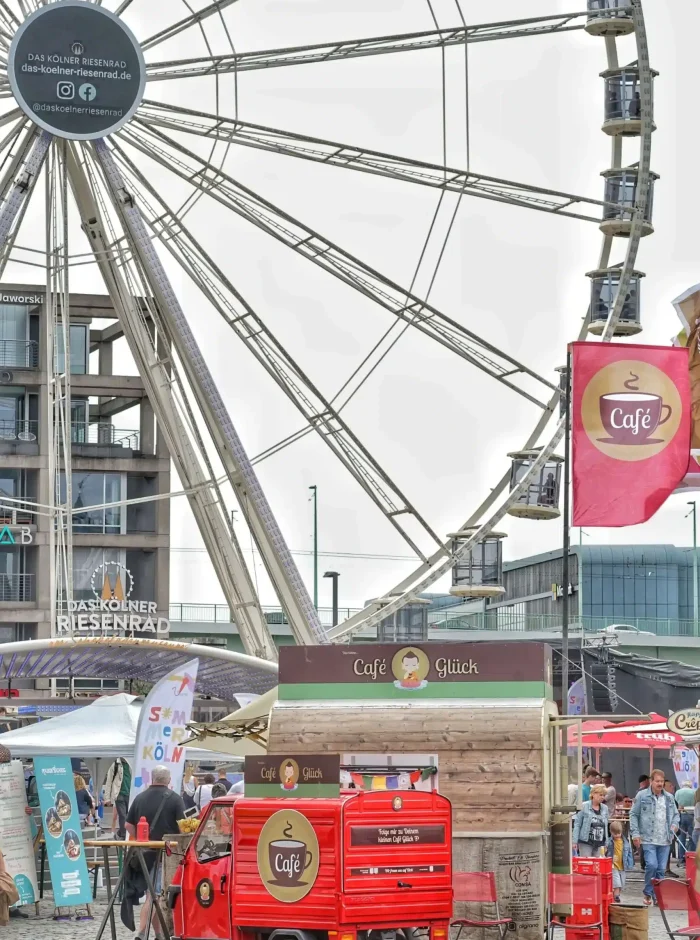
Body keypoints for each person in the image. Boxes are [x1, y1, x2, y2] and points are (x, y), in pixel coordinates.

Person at [126, 765, 186, 940]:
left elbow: (128, 825)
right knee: (154, 896)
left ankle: (159, 933)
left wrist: (140, 837)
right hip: (165, 855)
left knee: (153, 895)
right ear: (168, 780)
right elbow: (184, 827)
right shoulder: (175, 799)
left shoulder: (140, 798)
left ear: (152, 779)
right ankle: (142, 932)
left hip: (142, 854)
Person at [630, 768, 680, 906]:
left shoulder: (669, 797)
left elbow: (676, 815)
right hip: (648, 837)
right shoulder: (642, 796)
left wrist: (674, 825)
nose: (659, 783)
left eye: (662, 781)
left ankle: (658, 896)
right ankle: (647, 892)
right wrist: (635, 833)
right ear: (651, 781)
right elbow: (633, 814)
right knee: (651, 865)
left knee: (661, 869)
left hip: (665, 838)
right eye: (657, 781)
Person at [573, 784, 609, 857]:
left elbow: (605, 826)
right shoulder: (583, 806)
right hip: (585, 842)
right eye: (600, 795)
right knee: (587, 864)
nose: (602, 797)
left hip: (599, 843)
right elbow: (577, 824)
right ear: (593, 794)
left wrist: (606, 843)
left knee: (597, 866)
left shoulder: (605, 808)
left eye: (604, 795)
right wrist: (574, 841)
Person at [607, 820, 634, 903]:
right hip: (613, 865)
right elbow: (605, 851)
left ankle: (615, 894)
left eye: (618, 833)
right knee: (617, 882)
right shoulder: (609, 842)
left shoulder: (625, 842)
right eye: (615, 834)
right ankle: (616, 897)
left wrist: (630, 863)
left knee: (621, 883)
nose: (617, 835)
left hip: (622, 866)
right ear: (611, 832)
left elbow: (629, 853)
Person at [104, 758, 132, 841]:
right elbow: (109, 781)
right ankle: (123, 835)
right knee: (123, 815)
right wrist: (107, 798)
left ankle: (122, 833)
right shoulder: (115, 764)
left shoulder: (131, 764)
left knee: (129, 816)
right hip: (119, 794)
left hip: (130, 794)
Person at [676, 781, 696, 866]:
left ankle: (681, 859)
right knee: (692, 838)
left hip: (681, 815)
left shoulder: (678, 792)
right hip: (691, 815)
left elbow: (676, 803)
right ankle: (691, 857)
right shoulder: (693, 792)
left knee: (681, 838)